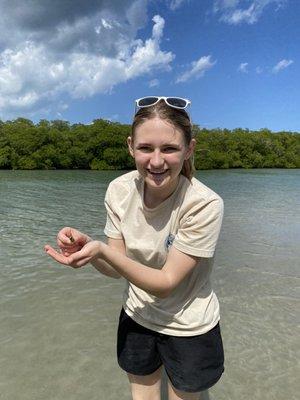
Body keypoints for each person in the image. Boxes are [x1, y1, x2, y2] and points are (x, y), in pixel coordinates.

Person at [45, 96, 225, 400]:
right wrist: (88, 249)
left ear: (189, 149)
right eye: (145, 148)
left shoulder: (204, 204)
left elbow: (166, 284)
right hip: (137, 315)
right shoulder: (119, 190)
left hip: (190, 326)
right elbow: (117, 269)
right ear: (131, 146)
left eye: (169, 148)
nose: (156, 161)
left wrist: (102, 250)